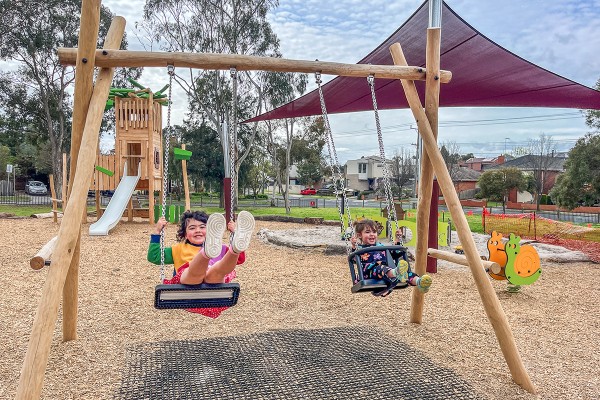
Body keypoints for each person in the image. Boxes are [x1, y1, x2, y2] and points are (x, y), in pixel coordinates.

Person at [148, 209, 255, 318]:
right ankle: (206, 253)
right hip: (187, 284)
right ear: (185, 234)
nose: (198, 230)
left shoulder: (220, 247)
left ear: (210, 231)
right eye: (192, 228)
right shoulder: (177, 249)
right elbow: (154, 256)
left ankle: (235, 249)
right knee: (194, 272)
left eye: (202, 227)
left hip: (213, 285)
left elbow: (240, 259)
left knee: (217, 270)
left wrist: (235, 236)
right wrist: (157, 231)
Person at [350, 218, 432, 297]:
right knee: (381, 268)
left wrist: (397, 240)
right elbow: (354, 260)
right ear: (359, 235)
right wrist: (354, 246)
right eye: (367, 232)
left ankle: (419, 282)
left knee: (406, 274)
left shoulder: (381, 246)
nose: (372, 234)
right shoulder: (359, 249)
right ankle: (396, 273)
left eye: (374, 232)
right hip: (370, 273)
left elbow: (395, 253)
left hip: (387, 271)